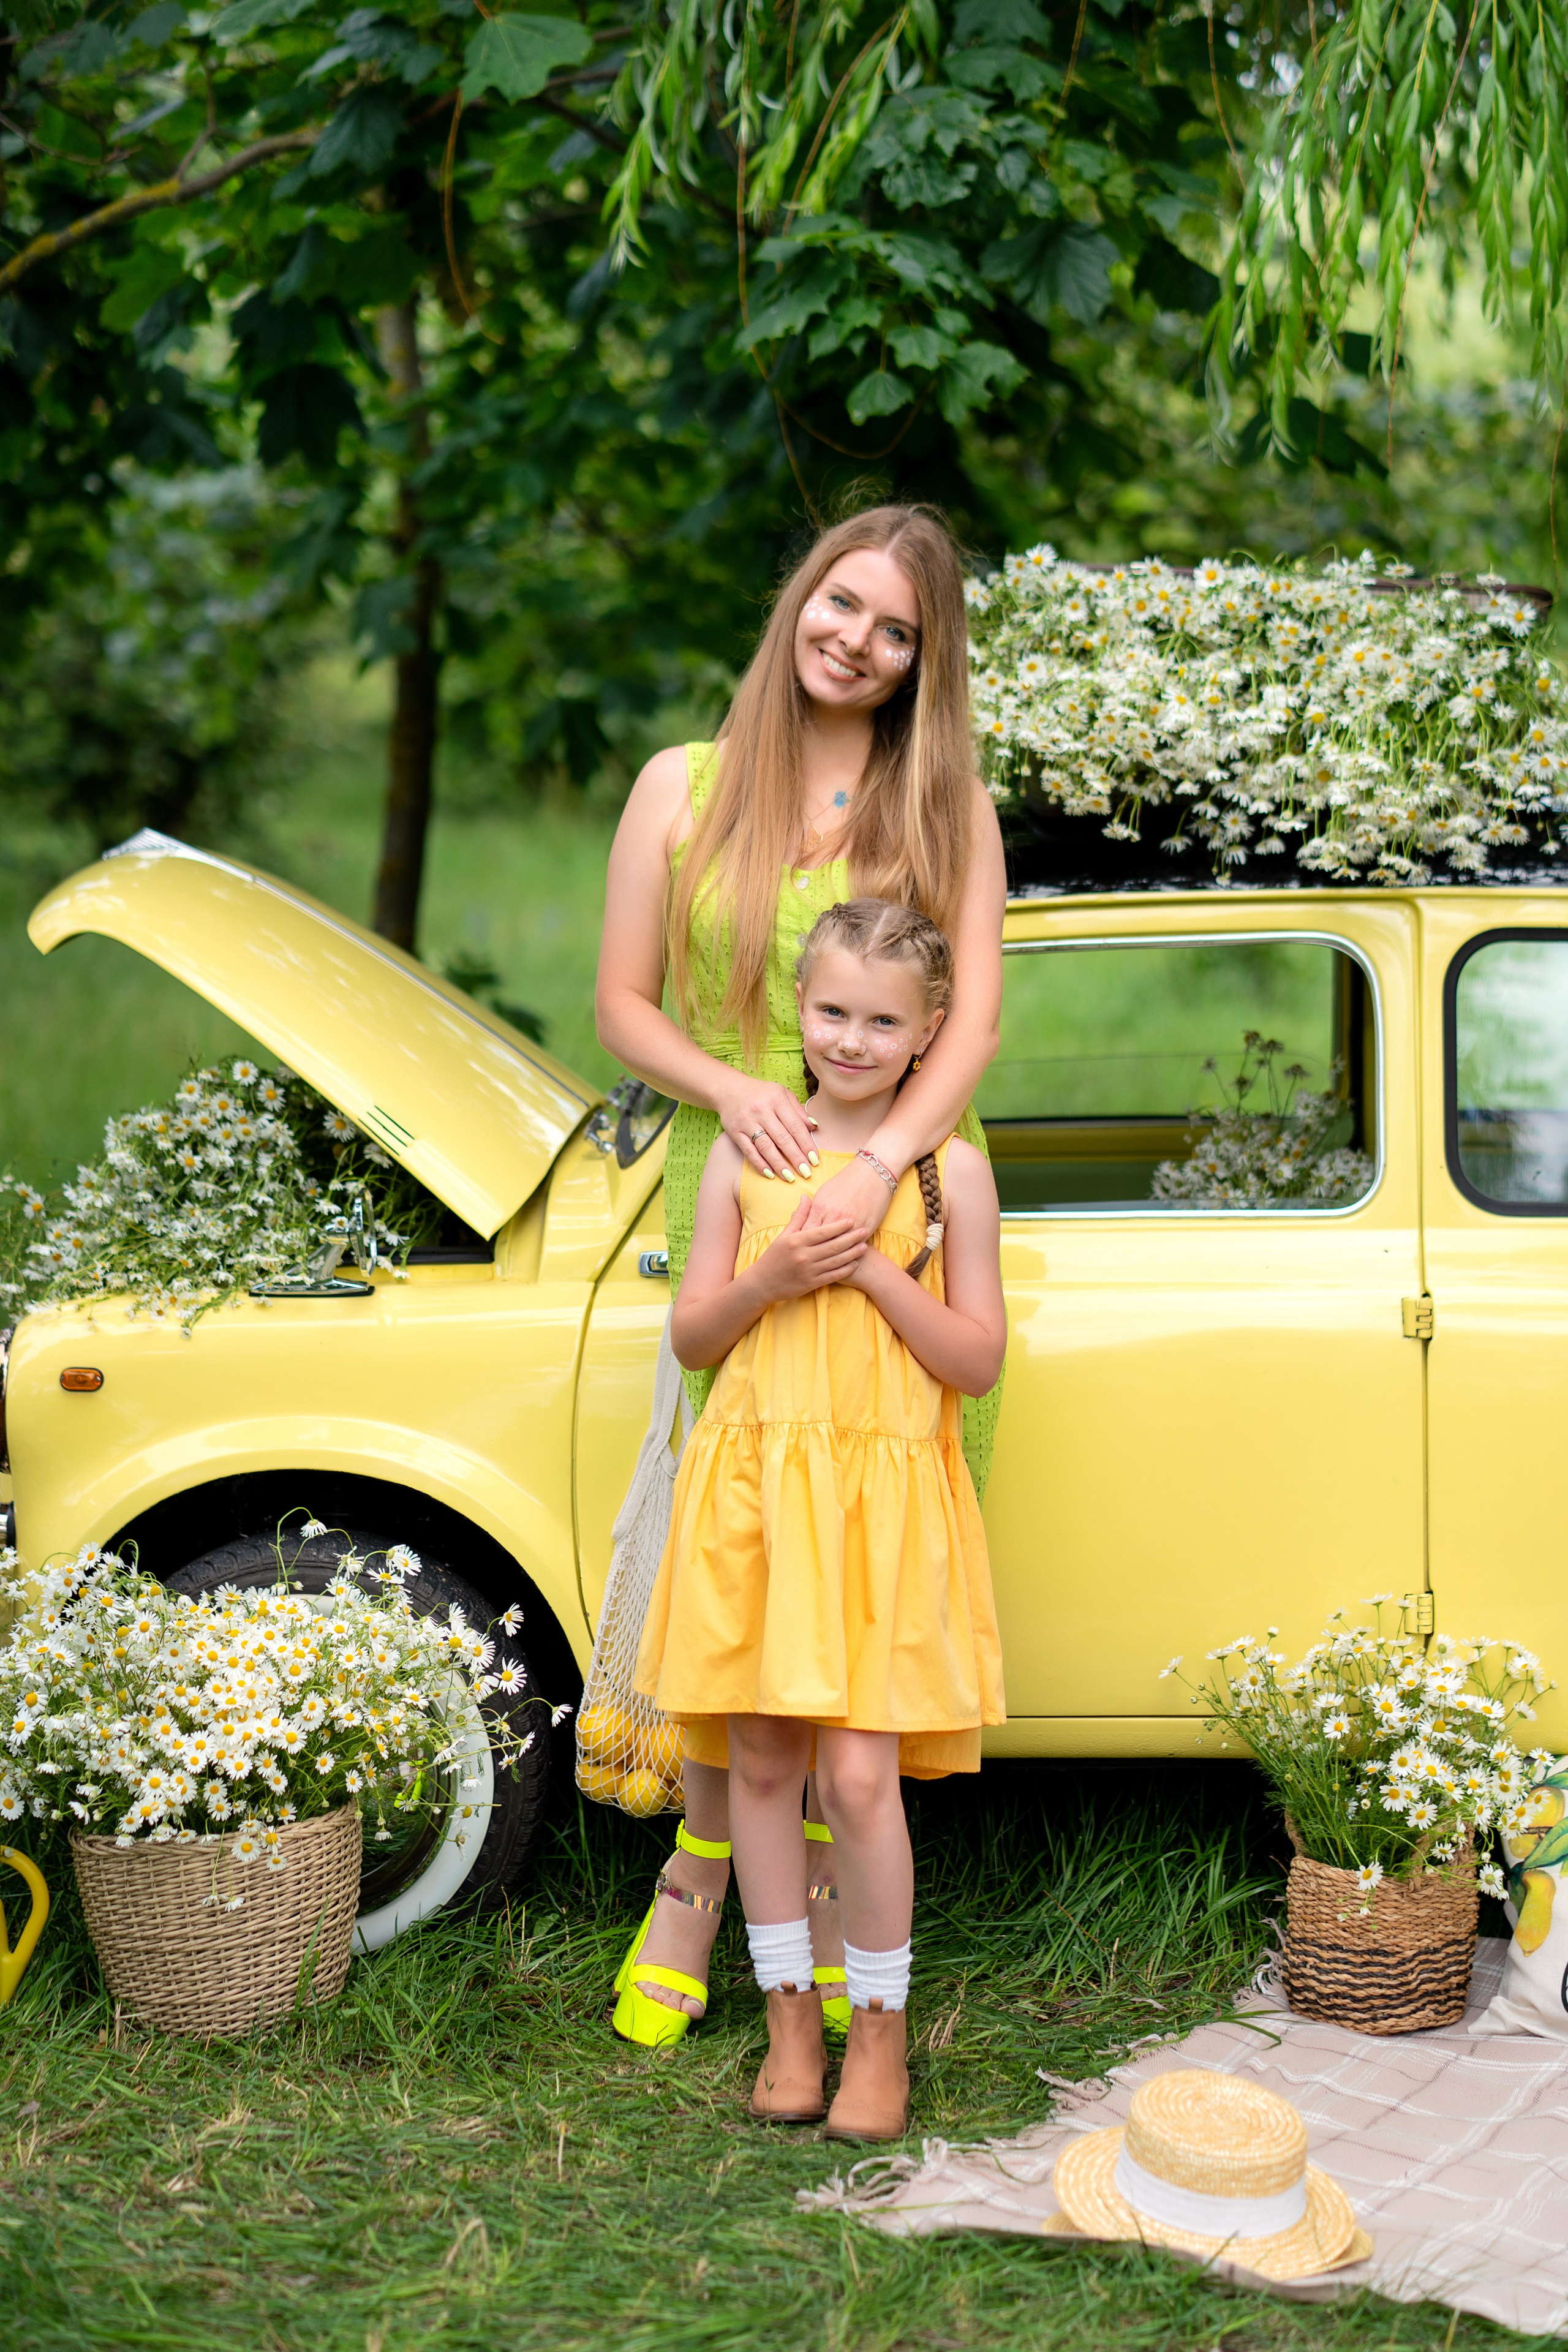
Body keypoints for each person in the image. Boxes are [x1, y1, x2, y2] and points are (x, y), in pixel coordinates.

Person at [595, 504, 1006, 2044]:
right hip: (738, 1169)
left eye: (898, 630)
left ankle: (831, 1881)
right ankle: (697, 1872)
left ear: (921, 660)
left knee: (867, 1552)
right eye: (842, 604)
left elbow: (968, 1024)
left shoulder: (946, 803)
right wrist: (731, 1092)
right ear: (798, 600)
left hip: (902, 1178)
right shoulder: (682, 784)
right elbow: (623, 1002)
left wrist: (883, 1165)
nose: (858, 641)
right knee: (741, 1545)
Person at [636, 900, 1007, 2136]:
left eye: (884, 1022)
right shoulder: (752, 1153)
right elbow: (695, 1337)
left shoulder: (945, 1172)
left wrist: (872, 1273)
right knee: (759, 1759)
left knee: (855, 1776)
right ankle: (790, 2020)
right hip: (756, 1494)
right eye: (833, 1011)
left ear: (928, 1034)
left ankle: (879, 2039)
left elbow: (976, 1361)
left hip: (876, 1508)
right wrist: (774, 1276)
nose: (852, 1040)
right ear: (798, 1007)